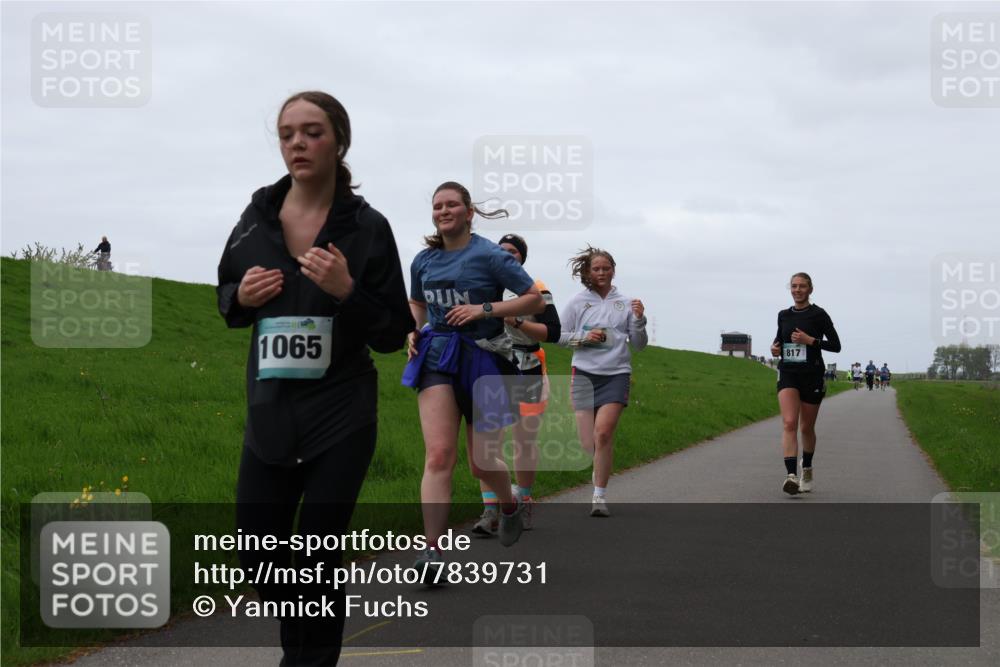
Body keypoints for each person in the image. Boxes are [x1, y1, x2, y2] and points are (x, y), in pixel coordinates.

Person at [216, 91, 413, 666]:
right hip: (270, 412)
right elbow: (225, 299)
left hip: (341, 415)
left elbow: (390, 330)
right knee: (259, 560)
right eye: (286, 134)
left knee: (317, 559)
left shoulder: (368, 227)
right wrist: (242, 297)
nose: (297, 143)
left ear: (339, 141)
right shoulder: (255, 218)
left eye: (312, 132)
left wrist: (347, 292)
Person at [402, 182, 545, 570]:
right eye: (437, 206)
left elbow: (534, 298)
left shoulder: (490, 255)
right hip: (437, 356)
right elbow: (417, 301)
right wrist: (413, 329)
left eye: (451, 205)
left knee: (482, 463)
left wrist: (485, 309)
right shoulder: (423, 260)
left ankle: (510, 505)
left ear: (469, 212)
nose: (443, 211)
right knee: (438, 455)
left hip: (484, 360)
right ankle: (432, 550)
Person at [471, 234, 561, 536]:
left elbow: (552, 331)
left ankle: (523, 500)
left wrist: (517, 322)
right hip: (493, 366)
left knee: (524, 440)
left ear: (521, 258)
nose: (508, 255)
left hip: (529, 367)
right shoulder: (482, 283)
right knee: (489, 442)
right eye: (502, 250)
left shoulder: (535, 288)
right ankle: (490, 511)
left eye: (514, 252)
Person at [558, 246, 647, 517]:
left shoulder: (627, 303)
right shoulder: (577, 302)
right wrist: (584, 338)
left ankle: (599, 496)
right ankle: (598, 468)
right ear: (587, 272)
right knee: (588, 442)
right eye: (596, 269)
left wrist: (640, 320)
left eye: (606, 268)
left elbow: (640, 345)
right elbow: (559, 337)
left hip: (616, 374)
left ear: (613, 270)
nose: (601, 273)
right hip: (584, 373)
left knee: (604, 434)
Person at [769, 272, 841, 495]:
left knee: (806, 427)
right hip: (788, 372)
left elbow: (836, 346)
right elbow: (778, 340)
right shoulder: (783, 315)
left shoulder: (819, 315)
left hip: (812, 374)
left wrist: (810, 341)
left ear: (810, 289)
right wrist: (775, 348)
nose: (797, 290)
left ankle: (807, 468)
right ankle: (791, 476)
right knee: (789, 423)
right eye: (794, 286)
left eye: (802, 286)